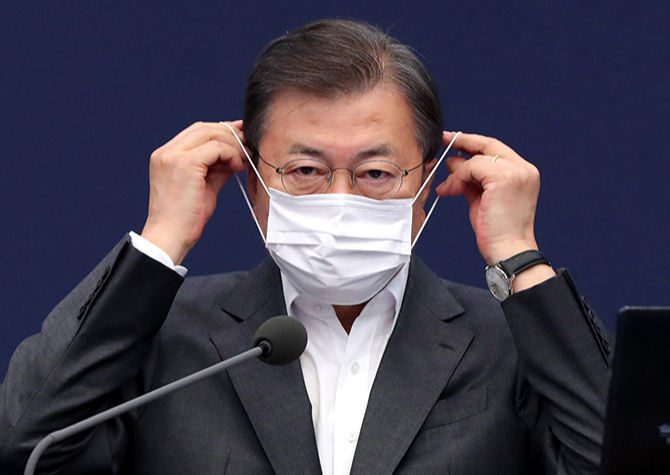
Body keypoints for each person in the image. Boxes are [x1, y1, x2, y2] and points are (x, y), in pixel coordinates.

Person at [0, 19, 611, 474]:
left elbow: (614, 460)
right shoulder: (166, 334)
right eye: (306, 171)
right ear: (254, 182)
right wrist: (162, 239)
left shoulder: (510, 341)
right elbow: (28, 448)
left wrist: (518, 256)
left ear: (426, 186)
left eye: (375, 173)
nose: (340, 198)